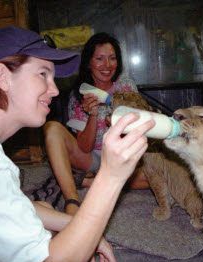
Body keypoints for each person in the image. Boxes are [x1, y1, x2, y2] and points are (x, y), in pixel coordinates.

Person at [0, 26, 155, 262]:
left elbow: (5, 200)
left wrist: (73, 224)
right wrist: (110, 178)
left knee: (43, 212)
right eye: (43, 74)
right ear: (3, 77)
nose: (55, 90)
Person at [43, 32, 150, 216]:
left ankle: (89, 182)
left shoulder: (126, 86)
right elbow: (83, 148)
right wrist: (92, 114)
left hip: (121, 154)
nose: (107, 66)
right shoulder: (79, 94)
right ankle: (72, 199)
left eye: (112, 58)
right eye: (99, 59)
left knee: (159, 176)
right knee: (52, 128)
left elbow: (137, 133)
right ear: (88, 63)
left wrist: (118, 126)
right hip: (91, 158)